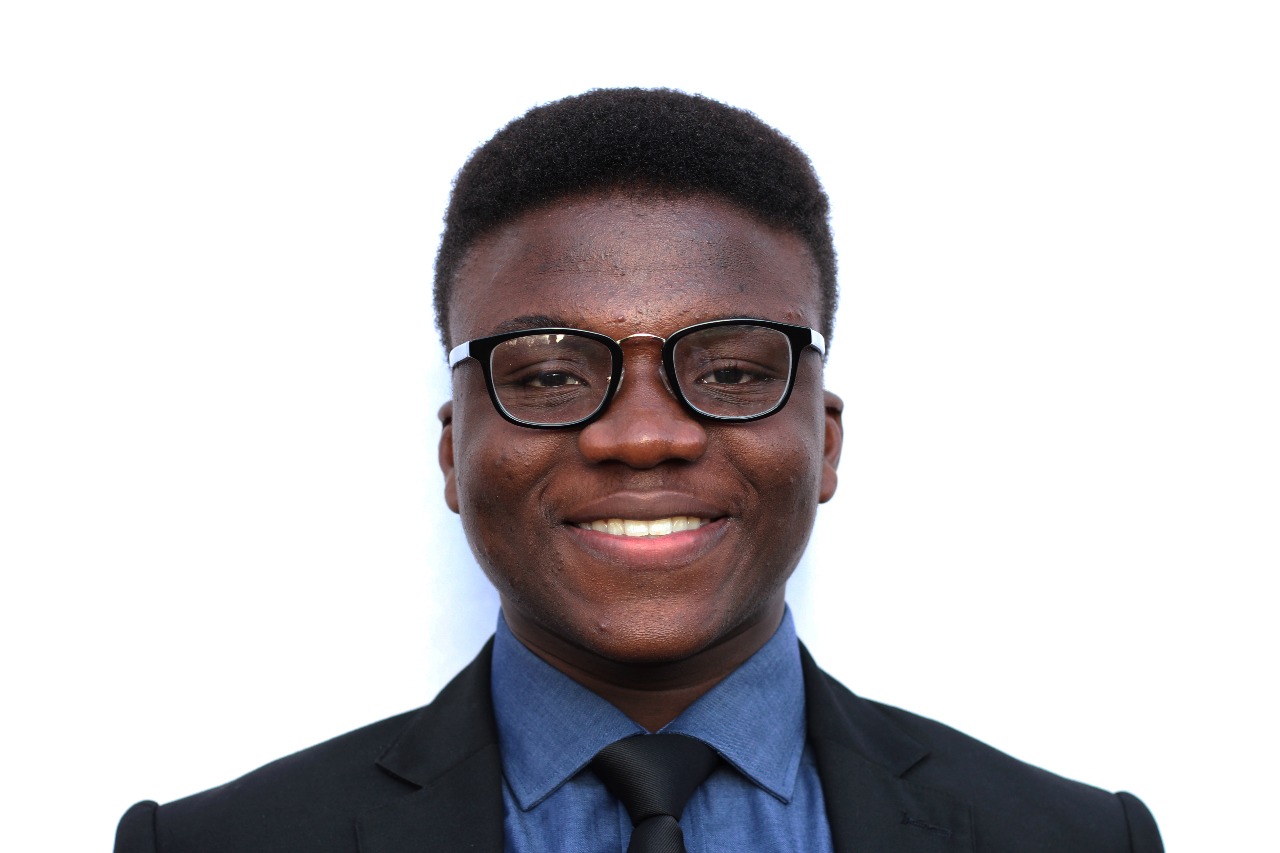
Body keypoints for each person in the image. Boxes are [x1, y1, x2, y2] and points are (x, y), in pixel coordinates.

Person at [114, 88, 1163, 852]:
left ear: (826, 443)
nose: (644, 435)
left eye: (732, 370)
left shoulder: (1073, 839)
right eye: (551, 375)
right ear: (453, 453)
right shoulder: (216, 844)